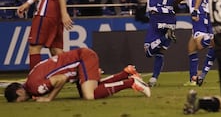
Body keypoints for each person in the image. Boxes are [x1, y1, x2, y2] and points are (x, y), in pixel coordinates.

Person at [96, 0, 177, 87]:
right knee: (159, 52)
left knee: (148, 50)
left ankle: (166, 37)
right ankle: (154, 79)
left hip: (157, 17)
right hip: (171, 18)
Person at [4, 48, 150, 102]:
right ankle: (126, 73)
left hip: (82, 60)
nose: (23, 102)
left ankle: (131, 82)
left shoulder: (34, 87)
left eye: (20, 100)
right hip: (80, 59)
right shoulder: (30, 81)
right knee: (88, 90)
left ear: (19, 92)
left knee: (89, 95)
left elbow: (61, 78)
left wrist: (49, 98)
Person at [152, 0, 214, 86]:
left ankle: (214, 38)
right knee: (191, 47)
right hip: (208, 14)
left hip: (198, 15)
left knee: (200, 44)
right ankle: (193, 79)